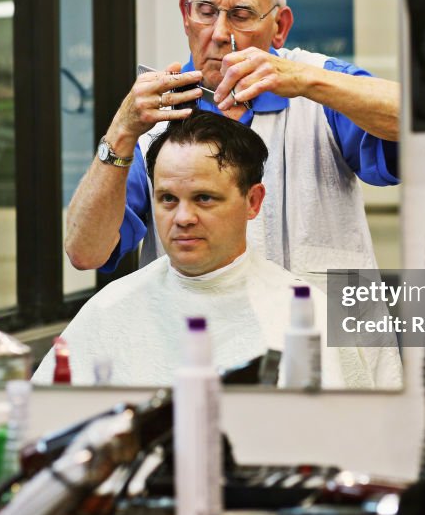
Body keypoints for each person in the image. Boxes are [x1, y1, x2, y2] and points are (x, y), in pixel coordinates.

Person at [64, 0, 400, 284]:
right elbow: (85, 252)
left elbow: (415, 122)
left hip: (321, 331)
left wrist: (307, 82)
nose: (221, 33)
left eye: (241, 15)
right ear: (186, 15)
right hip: (198, 333)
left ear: (280, 27)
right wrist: (121, 130)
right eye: (206, 12)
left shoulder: (318, 85)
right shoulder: (154, 117)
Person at [33, 113, 402, 388]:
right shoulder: (109, 310)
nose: (183, 218)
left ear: (253, 201)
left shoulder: (307, 318)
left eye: (204, 198)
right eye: (166, 199)